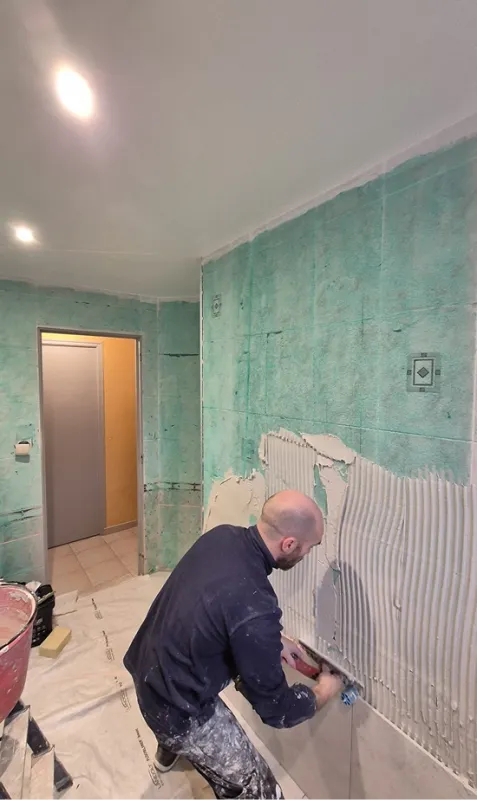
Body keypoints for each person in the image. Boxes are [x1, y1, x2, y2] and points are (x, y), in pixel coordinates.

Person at [124, 490, 343, 799]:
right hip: (176, 708)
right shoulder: (256, 607)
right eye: (310, 547)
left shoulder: (222, 536)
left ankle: (169, 748)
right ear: (289, 544)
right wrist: (324, 691)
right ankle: (176, 740)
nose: (308, 554)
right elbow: (277, 710)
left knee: (175, 717)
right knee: (259, 790)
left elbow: (216, 607)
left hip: (147, 665)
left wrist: (271, 640)